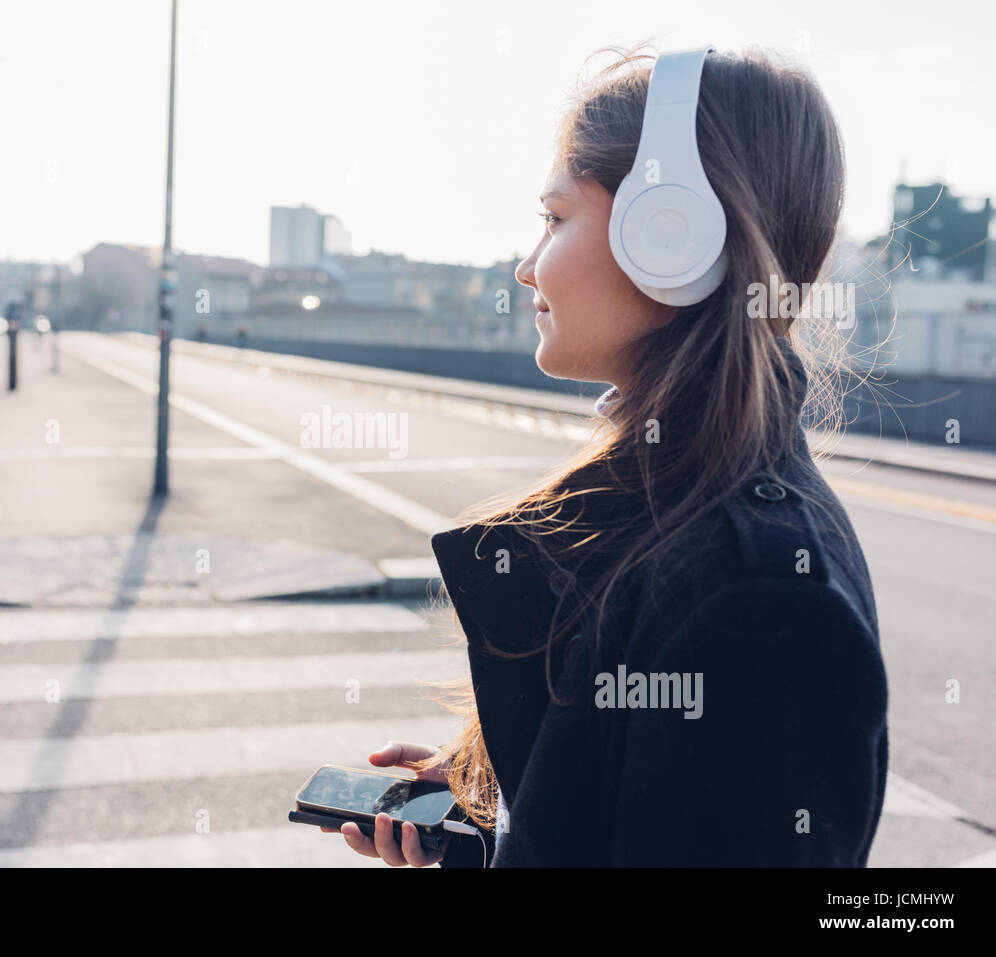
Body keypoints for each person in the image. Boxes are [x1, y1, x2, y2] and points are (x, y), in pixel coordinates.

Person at [321, 43, 888, 867]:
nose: (525, 266)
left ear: (669, 233)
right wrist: (510, 810)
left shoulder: (757, 595)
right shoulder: (690, 516)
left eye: (553, 218)